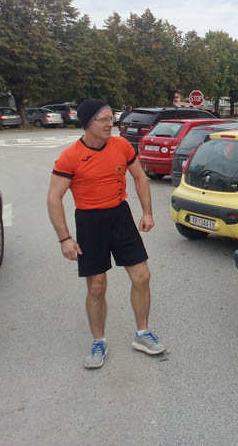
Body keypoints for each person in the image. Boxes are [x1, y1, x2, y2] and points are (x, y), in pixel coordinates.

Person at [47, 98, 165, 369]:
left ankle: (142, 333)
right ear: (87, 123)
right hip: (90, 222)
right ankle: (98, 341)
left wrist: (147, 212)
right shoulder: (70, 156)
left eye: (111, 118)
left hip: (120, 216)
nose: (109, 123)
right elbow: (54, 198)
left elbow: (139, 177)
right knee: (97, 286)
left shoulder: (121, 146)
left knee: (142, 276)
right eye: (103, 119)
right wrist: (64, 238)